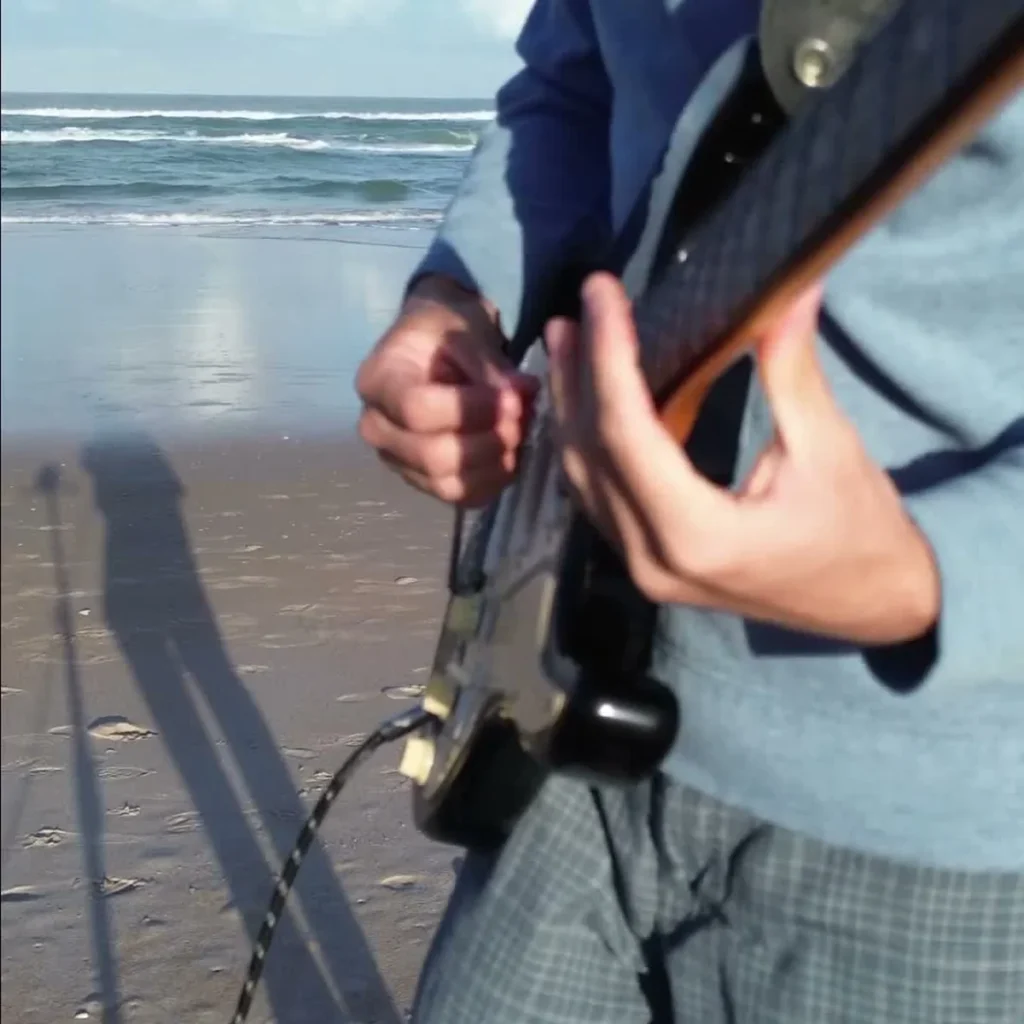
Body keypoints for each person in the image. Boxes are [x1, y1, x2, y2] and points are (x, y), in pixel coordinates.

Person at [355, 1, 1024, 1021]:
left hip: (945, 819)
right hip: (560, 688)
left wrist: (938, 571)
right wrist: (457, 296)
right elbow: (573, 86)